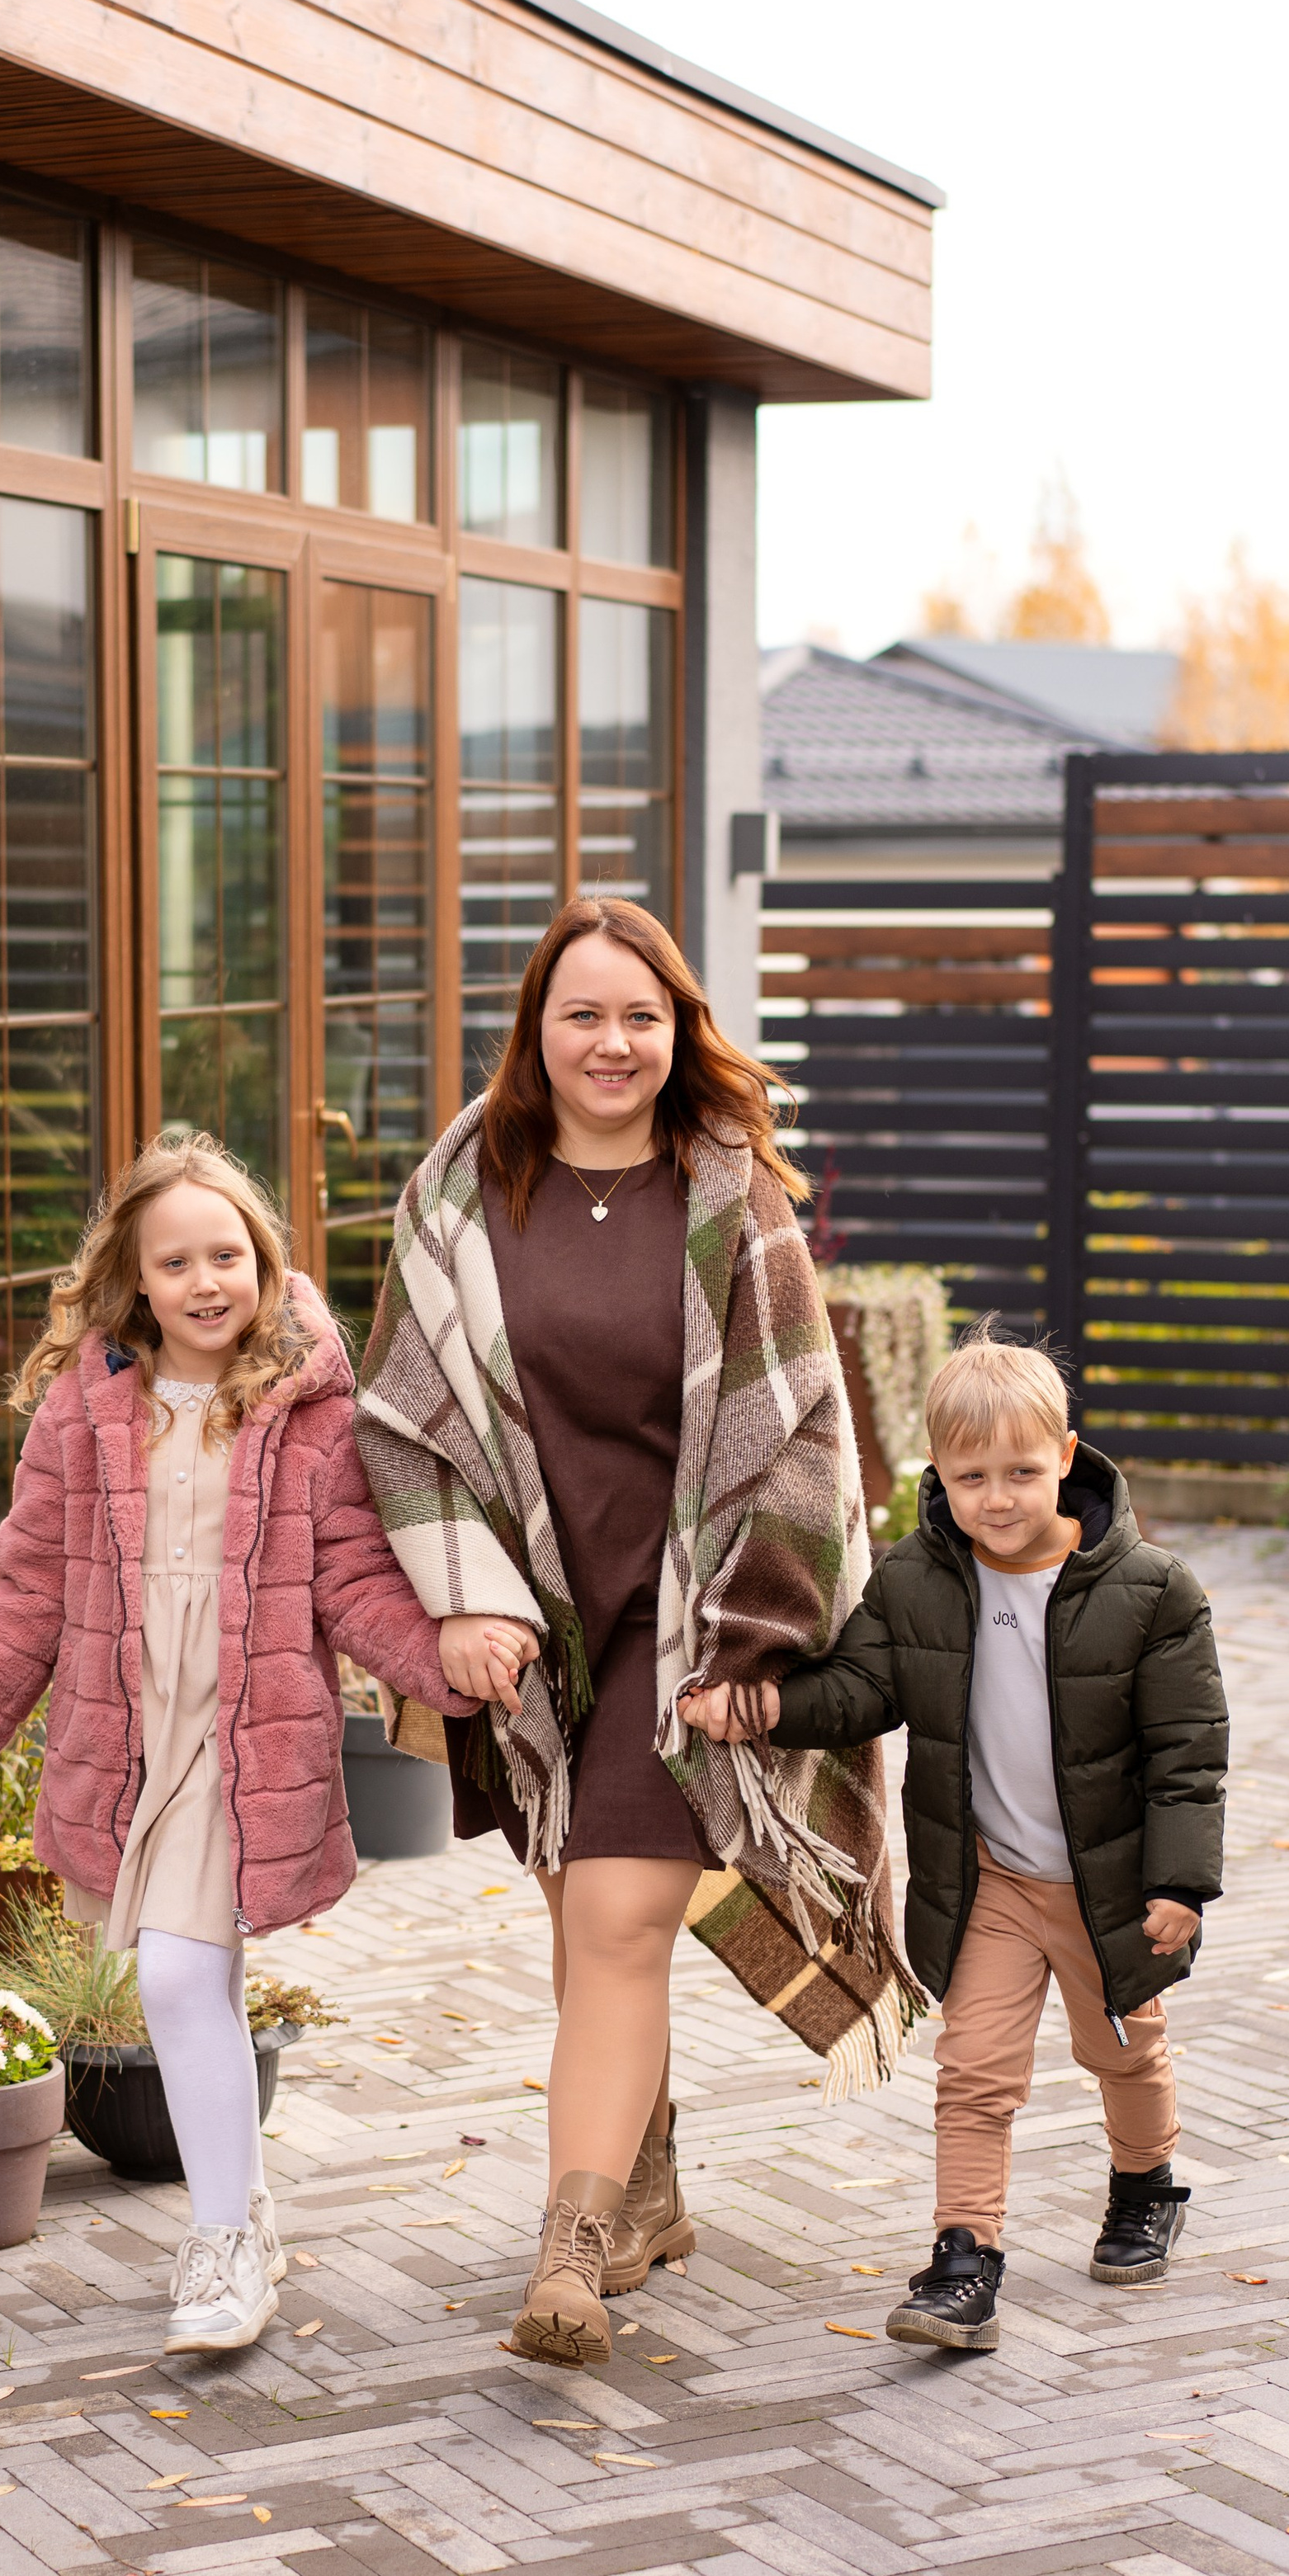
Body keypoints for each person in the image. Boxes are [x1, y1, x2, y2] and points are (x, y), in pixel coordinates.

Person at [356, 897, 905, 2371]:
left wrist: (755, 1635)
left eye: (642, 1017)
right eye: (584, 1014)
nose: (614, 1042)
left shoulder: (731, 1197)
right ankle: (649, 2191)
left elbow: (804, 1438)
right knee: (590, 1933)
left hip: (693, 1618)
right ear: (536, 1030)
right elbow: (402, 1418)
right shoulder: (464, 1191)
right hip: (539, 1627)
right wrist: (465, 1590)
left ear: (679, 1034)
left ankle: (570, 2250)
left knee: (612, 1923)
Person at [0, 1133, 534, 2356]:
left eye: (226, 1254)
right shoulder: (85, 1415)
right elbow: (26, 1592)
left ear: (263, 1260)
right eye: (174, 1261)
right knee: (202, 1987)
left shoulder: (308, 1412)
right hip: (133, 1744)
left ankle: (225, 2245)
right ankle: (241, 2216)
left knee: (183, 1982)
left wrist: (442, 1658)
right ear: (135, 1281)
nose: (204, 1282)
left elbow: (351, 1577)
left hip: (241, 1747)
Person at [683, 1326, 1227, 2353]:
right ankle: (962, 2261)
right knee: (973, 2071)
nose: (999, 1497)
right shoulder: (916, 1581)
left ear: (1067, 1457)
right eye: (971, 1477)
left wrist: (1180, 1884)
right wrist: (761, 1709)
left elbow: (1188, 1754)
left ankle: (1146, 2184)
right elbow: (861, 1691)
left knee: (1121, 2049)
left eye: (1023, 1471)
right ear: (941, 1475)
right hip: (992, 1882)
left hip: (1111, 1885)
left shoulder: (1154, 1592)